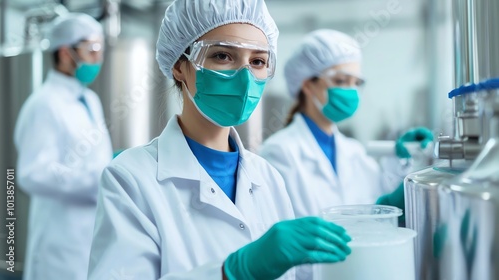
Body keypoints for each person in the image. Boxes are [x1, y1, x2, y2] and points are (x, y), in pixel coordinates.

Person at [87, 1, 353, 279]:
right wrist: (232, 272)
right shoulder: (131, 179)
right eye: (223, 56)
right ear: (180, 65)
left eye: (258, 61)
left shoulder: (268, 177)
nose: (245, 77)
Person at [259, 29, 434, 219]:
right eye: (341, 80)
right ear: (308, 85)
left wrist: (400, 157)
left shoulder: (354, 151)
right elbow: (298, 230)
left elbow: (382, 200)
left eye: (356, 82)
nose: (351, 91)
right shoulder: (279, 152)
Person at [14, 13, 112, 280]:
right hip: (59, 244)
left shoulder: (89, 100)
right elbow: (32, 173)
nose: (98, 59)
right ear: (66, 53)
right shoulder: (43, 105)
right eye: (91, 49)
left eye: (100, 49)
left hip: (90, 234)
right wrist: (99, 177)